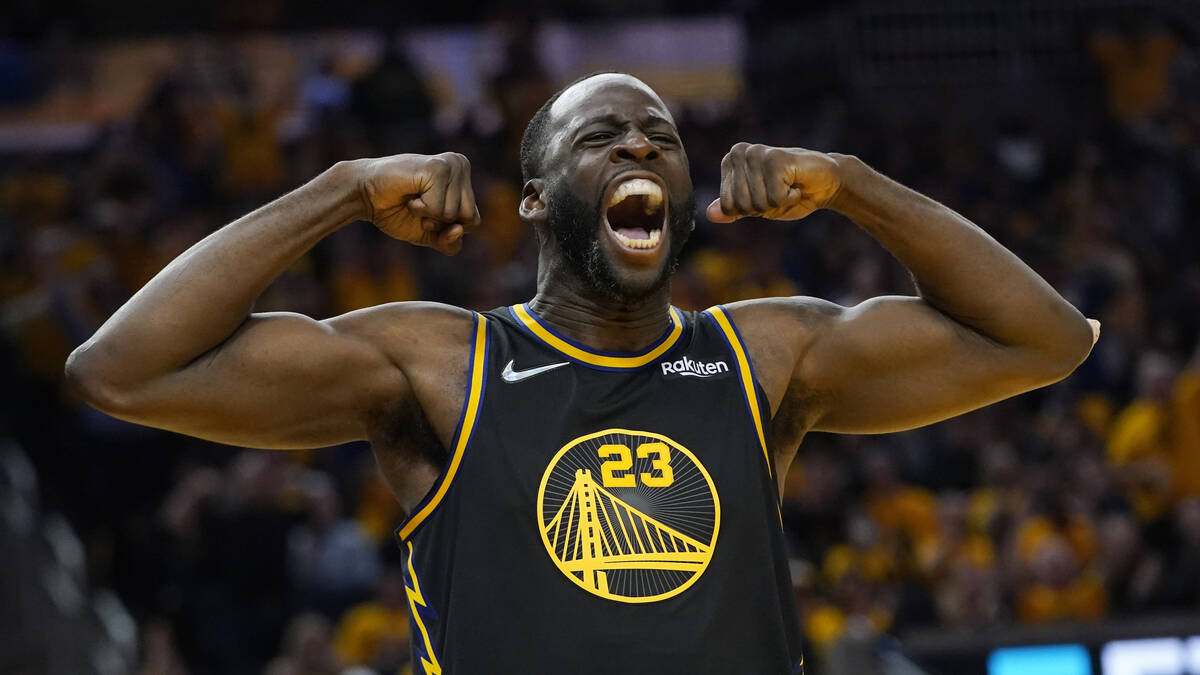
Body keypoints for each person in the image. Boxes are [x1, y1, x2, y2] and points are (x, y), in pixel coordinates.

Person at [65, 72, 1098, 674]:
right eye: (600, 137)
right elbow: (122, 370)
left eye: (661, 138)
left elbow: (1045, 342)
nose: (640, 146)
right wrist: (338, 193)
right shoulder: (444, 364)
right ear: (536, 198)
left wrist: (855, 188)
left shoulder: (764, 355)